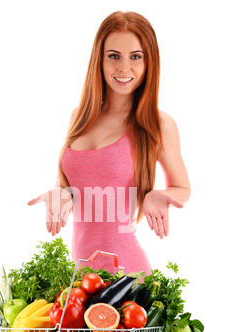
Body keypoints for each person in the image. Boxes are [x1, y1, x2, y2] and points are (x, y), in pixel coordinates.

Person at [28, 11, 190, 275]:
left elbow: (183, 187)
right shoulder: (79, 116)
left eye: (135, 57)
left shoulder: (158, 124)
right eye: (114, 56)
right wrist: (62, 194)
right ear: (99, 60)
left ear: (149, 62)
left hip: (127, 279)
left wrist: (159, 195)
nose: (124, 68)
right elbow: (77, 182)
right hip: (80, 278)